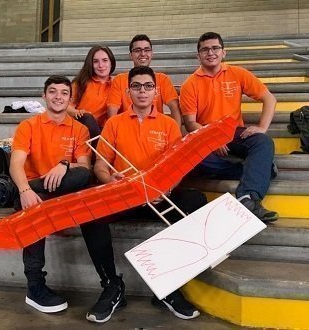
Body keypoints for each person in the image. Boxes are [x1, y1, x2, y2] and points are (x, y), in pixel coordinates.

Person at [81, 66, 207, 323]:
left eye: (148, 86)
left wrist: (167, 187)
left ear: (156, 91)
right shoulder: (115, 123)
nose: (142, 91)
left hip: (158, 195)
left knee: (196, 201)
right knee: (90, 214)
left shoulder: (169, 124)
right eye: (136, 86)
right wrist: (111, 181)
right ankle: (112, 286)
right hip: (124, 194)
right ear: (128, 91)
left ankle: (168, 286)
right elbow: (100, 167)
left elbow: (178, 167)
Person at [0, 75, 92, 313]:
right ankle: (35, 287)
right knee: (35, 211)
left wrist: (65, 164)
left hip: (63, 192)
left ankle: (5, 191)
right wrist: (25, 190)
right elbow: (16, 164)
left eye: (64, 93)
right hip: (32, 195)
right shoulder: (29, 126)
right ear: (43, 96)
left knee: (82, 176)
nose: (58, 97)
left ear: (70, 98)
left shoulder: (80, 129)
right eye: (53, 92)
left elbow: (84, 166)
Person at [180, 32, 278, 223]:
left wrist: (262, 127)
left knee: (263, 142)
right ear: (198, 55)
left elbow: (269, 99)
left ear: (224, 52)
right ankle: (260, 170)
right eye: (205, 49)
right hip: (205, 136)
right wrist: (212, 139)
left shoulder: (237, 73)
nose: (211, 52)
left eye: (215, 48)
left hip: (234, 133)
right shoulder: (189, 85)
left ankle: (247, 198)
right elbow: (190, 123)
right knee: (195, 160)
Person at [107, 34, 182, 126]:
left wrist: (177, 135)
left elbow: (174, 107)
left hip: (156, 132)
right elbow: (112, 111)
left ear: (151, 54)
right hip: (128, 130)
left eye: (146, 50)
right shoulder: (120, 80)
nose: (143, 54)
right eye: (137, 50)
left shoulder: (162, 79)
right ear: (131, 55)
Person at [67, 45, 116, 132]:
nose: (101, 65)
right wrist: (77, 113)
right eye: (96, 61)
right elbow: (66, 107)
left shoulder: (117, 83)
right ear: (91, 64)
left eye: (105, 60)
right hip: (83, 126)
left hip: (106, 130)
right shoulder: (81, 82)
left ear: (111, 62)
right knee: (88, 118)